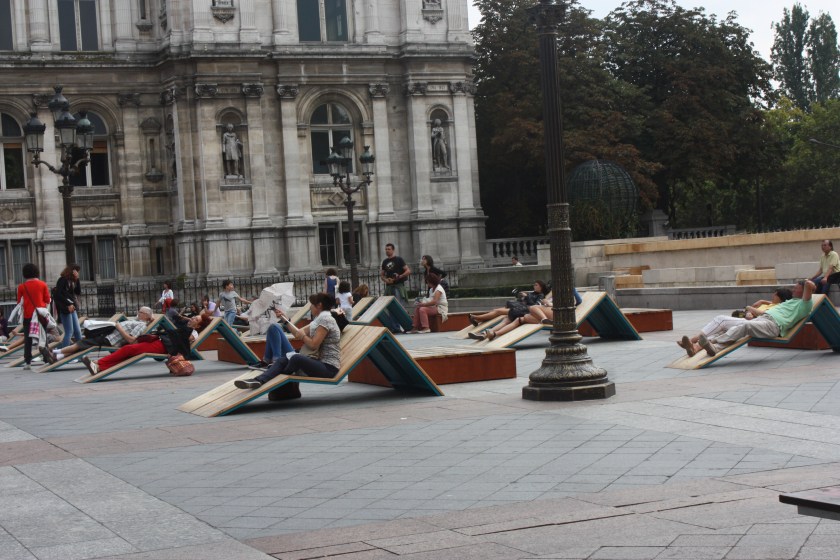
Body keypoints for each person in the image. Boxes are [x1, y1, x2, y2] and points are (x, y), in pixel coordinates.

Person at [235, 293, 342, 389]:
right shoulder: (319, 320)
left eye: (312, 304)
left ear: (319, 305)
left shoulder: (326, 320)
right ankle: (258, 380)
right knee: (283, 359)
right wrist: (285, 319)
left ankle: (279, 376)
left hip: (328, 368)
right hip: (317, 362)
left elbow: (313, 345)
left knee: (295, 358)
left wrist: (303, 336)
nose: (310, 307)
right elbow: (297, 333)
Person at [694, 280, 816, 357]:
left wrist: (808, 285)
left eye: (796, 288)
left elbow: (809, 284)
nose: (793, 289)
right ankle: (705, 346)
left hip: (773, 326)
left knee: (745, 326)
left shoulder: (804, 304)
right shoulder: (790, 301)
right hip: (763, 319)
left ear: (804, 290)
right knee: (734, 326)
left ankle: (713, 346)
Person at [81, 313, 213, 375]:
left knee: (128, 349)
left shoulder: (193, 333)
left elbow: (187, 339)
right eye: (194, 316)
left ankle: (99, 364)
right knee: (129, 351)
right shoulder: (186, 327)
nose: (192, 318)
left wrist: (185, 328)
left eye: (196, 319)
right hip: (160, 342)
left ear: (198, 325)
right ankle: (100, 366)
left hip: (163, 346)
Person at [677, 288, 793, 357]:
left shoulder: (779, 307)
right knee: (720, 327)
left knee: (720, 319)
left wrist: (750, 309)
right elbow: (750, 311)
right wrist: (752, 310)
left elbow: (759, 313)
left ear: (781, 298)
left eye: (775, 294)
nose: (773, 296)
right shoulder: (769, 304)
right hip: (750, 320)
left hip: (757, 324)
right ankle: (694, 348)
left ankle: (693, 342)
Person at [43, 307, 156, 364]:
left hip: (111, 340)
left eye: (140, 312)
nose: (138, 313)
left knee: (80, 344)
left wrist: (118, 327)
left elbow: (131, 340)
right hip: (108, 336)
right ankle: (56, 357)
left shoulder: (141, 325)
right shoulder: (137, 320)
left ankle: (54, 352)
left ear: (145, 315)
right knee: (82, 346)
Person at [469, 281, 548, 341]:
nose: (534, 286)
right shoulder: (532, 293)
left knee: (497, 311)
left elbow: (534, 305)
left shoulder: (541, 295)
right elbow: (524, 301)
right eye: (534, 284)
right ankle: (484, 334)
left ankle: (478, 318)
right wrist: (522, 297)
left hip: (525, 310)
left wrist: (526, 296)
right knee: (503, 321)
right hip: (520, 308)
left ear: (541, 287)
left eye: (536, 285)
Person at [17, 263, 50, 370]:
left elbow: (19, 302)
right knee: (43, 337)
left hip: (28, 316)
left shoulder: (21, 287)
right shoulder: (43, 284)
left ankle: (28, 362)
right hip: (40, 315)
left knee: (28, 339)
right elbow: (47, 300)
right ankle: (46, 359)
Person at [54, 264, 82, 347]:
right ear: (73, 271)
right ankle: (63, 353)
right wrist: (68, 304)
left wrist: (78, 280)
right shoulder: (62, 280)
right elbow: (58, 295)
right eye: (77, 272)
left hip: (72, 308)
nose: (78, 273)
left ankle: (80, 353)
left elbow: (78, 292)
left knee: (77, 331)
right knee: (69, 332)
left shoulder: (72, 281)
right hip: (66, 308)